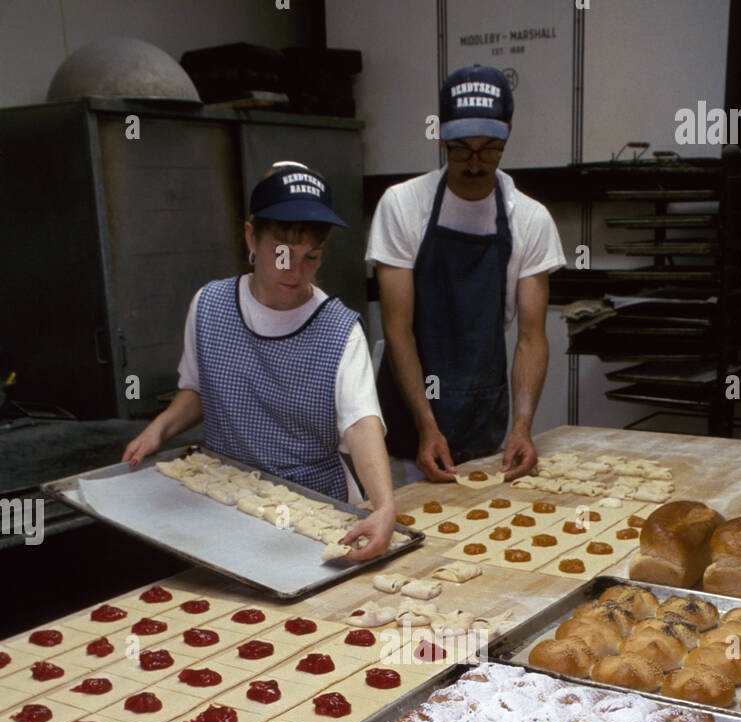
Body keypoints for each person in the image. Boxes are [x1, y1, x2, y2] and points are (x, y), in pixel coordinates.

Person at [123, 162, 396, 558]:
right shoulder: (210, 306)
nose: (295, 271)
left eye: (312, 257)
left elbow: (360, 424)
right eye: (282, 253)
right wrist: (159, 431)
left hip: (313, 511)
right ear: (251, 237)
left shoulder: (338, 329)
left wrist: (384, 504)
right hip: (224, 501)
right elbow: (199, 389)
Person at [368, 64, 566, 484]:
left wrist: (522, 426)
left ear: (508, 132)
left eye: (489, 148)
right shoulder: (402, 206)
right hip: (407, 428)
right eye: (460, 149)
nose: (475, 164)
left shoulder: (530, 219)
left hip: (483, 429)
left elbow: (531, 338)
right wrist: (427, 425)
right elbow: (398, 329)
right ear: (440, 135)